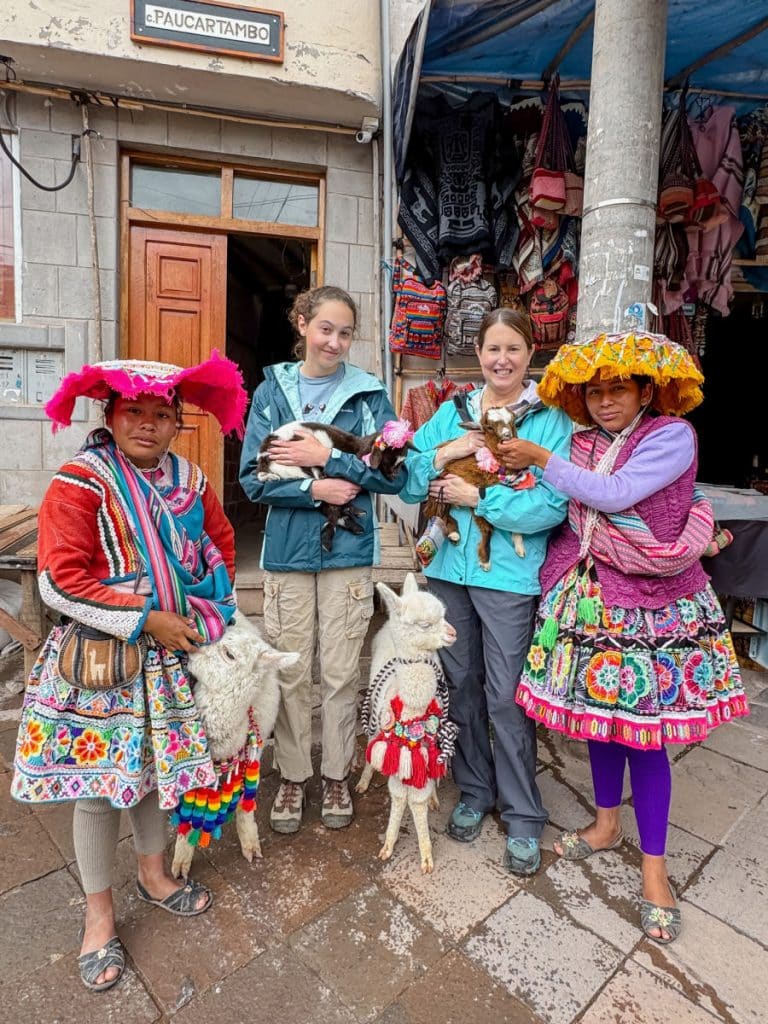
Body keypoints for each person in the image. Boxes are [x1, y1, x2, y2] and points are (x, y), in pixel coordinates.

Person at [502, 330, 748, 942]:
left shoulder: (670, 437)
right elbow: (566, 506)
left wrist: (538, 460)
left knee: (647, 739)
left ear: (647, 391)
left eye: (618, 389)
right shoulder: (582, 442)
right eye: (593, 392)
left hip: (652, 609)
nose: (604, 401)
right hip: (589, 602)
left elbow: (615, 494)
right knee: (598, 725)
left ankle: (656, 871)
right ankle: (606, 824)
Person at [12, 353, 247, 991]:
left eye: (161, 414)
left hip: (169, 661)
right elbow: (60, 581)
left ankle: (153, 874)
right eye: (134, 411)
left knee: (151, 775)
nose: (147, 424)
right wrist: (147, 617)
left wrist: (207, 600)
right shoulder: (80, 482)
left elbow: (220, 544)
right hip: (102, 663)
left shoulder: (191, 482)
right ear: (110, 414)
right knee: (96, 789)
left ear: (178, 422)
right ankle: (98, 914)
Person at [399, 308, 572, 875]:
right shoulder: (452, 412)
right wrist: (446, 453)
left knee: (506, 694)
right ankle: (475, 789)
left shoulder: (549, 421)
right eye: (493, 349)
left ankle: (523, 813)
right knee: (462, 685)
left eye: (514, 350)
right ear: (478, 353)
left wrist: (483, 501)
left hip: (508, 578)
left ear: (530, 354)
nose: (502, 359)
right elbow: (406, 473)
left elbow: (552, 504)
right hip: (449, 569)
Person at [239, 285, 405, 834]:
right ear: (303, 324)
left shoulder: (368, 396)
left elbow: (391, 475)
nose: (334, 341)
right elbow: (253, 478)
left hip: (349, 551)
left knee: (338, 672)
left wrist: (327, 456)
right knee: (290, 670)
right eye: (325, 328)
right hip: (286, 554)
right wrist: (316, 491)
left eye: (345, 332)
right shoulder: (272, 392)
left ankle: (334, 770)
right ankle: (291, 774)